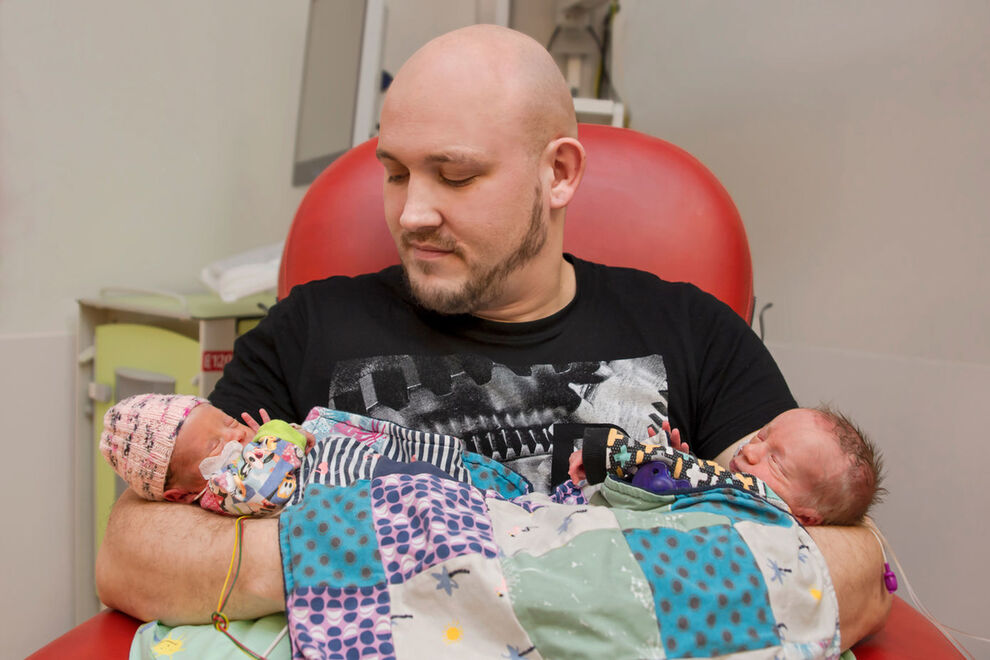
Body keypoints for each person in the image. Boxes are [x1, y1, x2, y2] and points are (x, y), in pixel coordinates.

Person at [96, 24, 891, 648]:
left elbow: (851, 567)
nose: (411, 214)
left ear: (560, 174)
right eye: (397, 172)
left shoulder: (691, 330)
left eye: (457, 174)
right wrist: (407, 552)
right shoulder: (311, 323)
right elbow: (135, 554)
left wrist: (558, 570)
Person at [568, 407, 886, 526]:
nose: (750, 450)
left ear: (806, 516)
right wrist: (671, 473)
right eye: (762, 435)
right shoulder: (726, 484)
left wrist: (607, 452)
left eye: (775, 460)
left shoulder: (762, 503)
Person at [99, 393, 313, 516]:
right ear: (182, 495)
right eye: (215, 446)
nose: (236, 434)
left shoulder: (257, 452)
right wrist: (279, 437)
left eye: (229, 421)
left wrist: (294, 434)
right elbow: (261, 487)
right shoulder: (222, 491)